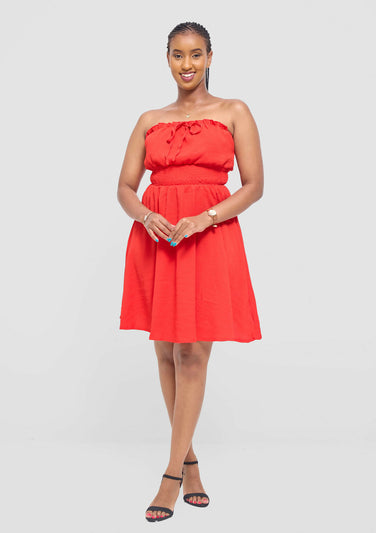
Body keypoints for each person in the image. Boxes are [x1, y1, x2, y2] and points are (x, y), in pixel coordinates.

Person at [117, 21, 264, 522]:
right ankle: (192, 463)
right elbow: (125, 188)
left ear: (210, 57)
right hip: (158, 237)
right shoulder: (149, 119)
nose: (187, 64)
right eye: (178, 55)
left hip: (208, 235)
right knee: (165, 352)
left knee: (193, 353)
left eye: (196, 54)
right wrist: (145, 215)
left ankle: (171, 476)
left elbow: (254, 185)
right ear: (167, 59)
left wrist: (206, 217)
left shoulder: (234, 111)